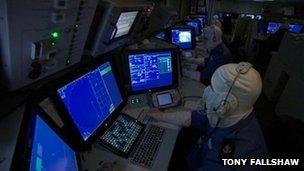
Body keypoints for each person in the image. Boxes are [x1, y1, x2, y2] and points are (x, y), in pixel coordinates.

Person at [148, 62, 268, 171]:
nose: (207, 91)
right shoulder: (233, 115)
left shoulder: (234, 161)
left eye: (213, 89)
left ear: (225, 103)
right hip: (196, 157)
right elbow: (196, 118)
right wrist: (160, 115)